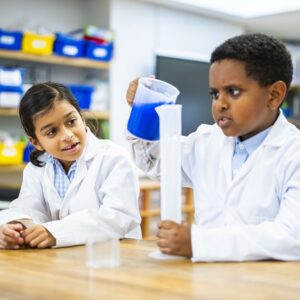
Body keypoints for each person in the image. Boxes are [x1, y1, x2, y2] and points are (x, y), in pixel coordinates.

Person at [126, 33, 300, 261]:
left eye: (233, 92)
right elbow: (158, 162)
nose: (220, 104)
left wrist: (198, 242)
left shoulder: (293, 153)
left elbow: (292, 237)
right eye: (215, 93)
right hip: (207, 283)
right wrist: (143, 109)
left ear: (274, 95)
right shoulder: (206, 141)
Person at [0, 82, 141, 249]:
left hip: (114, 259)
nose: (67, 135)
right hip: (63, 262)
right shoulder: (36, 169)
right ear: (36, 142)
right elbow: (28, 208)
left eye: (71, 121)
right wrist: (14, 227)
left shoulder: (114, 158)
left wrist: (55, 232)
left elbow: (118, 217)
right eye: (52, 132)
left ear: (81, 118)